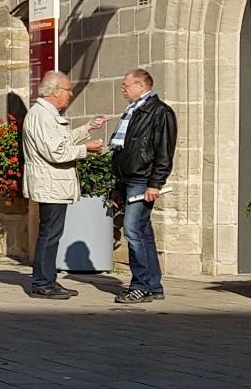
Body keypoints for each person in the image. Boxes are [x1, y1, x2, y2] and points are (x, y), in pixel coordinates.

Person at [22, 71, 106, 299]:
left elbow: (61, 140)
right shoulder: (40, 115)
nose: (71, 94)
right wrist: (86, 149)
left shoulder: (47, 114)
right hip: (50, 184)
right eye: (68, 90)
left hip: (54, 184)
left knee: (52, 235)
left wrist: (87, 127)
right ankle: (42, 283)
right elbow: (55, 152)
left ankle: (49, 280)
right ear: (56, 91)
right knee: (49, 235)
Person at [109, 68, 177, 304]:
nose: (123, 90)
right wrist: (118, 186)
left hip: (142, 179)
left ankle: (140, 285)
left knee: (133, 230)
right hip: (129, 178)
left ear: (140, 85)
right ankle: (153, 284)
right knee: (143, 231)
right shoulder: (134, 112)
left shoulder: (159, 112)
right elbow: (122, 150)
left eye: (126, 86)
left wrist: (155, 183)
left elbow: (164, 152)